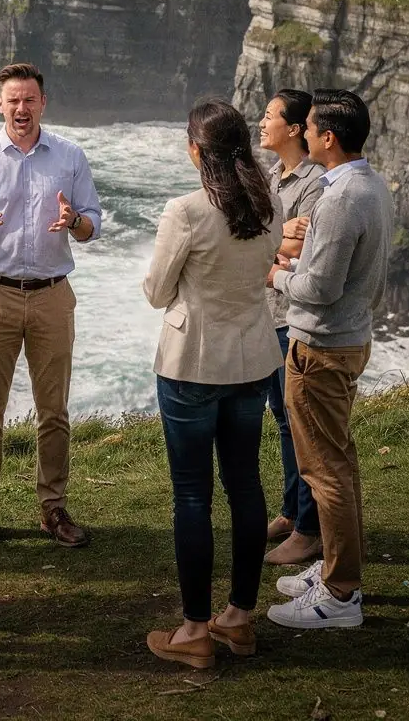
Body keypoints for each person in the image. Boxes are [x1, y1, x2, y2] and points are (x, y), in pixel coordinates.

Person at [143, 98, 283, 670]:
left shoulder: (187, 211)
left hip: (192, 364)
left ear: (197, 150)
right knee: (246, 487)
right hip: (251, 360)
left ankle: (195, 630)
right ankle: (240, 619)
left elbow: (156, 291)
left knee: (193, 495)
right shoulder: (268, 204)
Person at [0, 61, 101, 552]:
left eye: (29, 99)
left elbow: (93, 223)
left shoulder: (70, 157)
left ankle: (53, 507)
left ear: (42, 104)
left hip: (53, 294)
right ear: (0, 105)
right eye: (13, 100)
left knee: (53, 410)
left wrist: (74, 219)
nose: (21, 108)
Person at [266, 90, 393, 632]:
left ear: (327, 138)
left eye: (311, 127)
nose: (305, 133)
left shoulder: (340, 198)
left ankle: (340, 594)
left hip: (321, 346)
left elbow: (317, 287)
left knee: (327, 471)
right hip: (347, 337)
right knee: (336, 463)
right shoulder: (371, 185)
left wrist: (272, 274)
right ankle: (338, 572)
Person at [258, 90, 325, 566]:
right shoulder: (269, 176)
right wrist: (279, 238)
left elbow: (303, 248)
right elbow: (257, 234)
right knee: (283, 423)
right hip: (263, 313)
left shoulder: (315, 183)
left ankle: (309, 527)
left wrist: (276, 242)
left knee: (298, 426)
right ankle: (290, 511)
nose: (261, 122)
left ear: (296, 128)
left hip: (290, 317)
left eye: (269, 115)